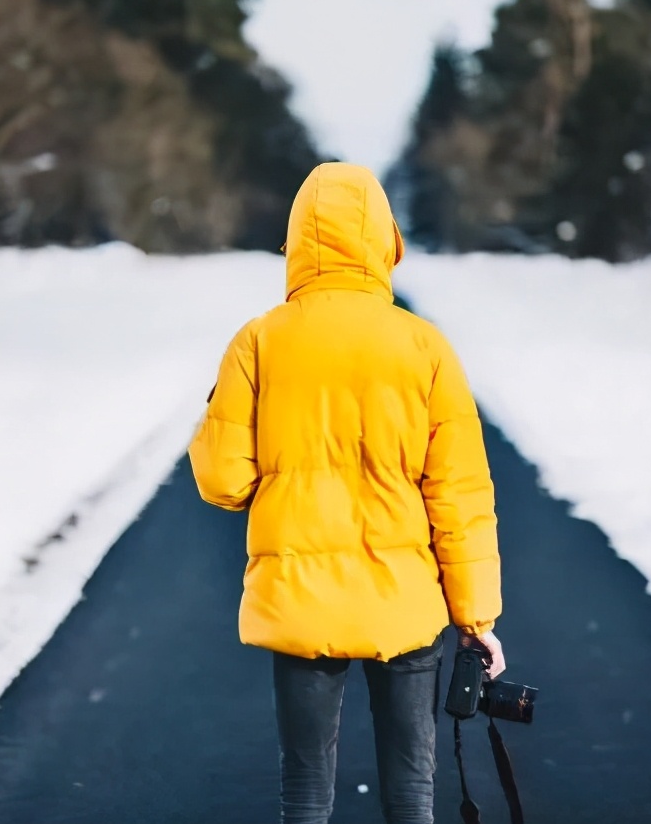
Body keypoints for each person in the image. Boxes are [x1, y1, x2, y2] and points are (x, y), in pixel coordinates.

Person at [189, 162, 504, 824]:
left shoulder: (258, 342)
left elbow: (223, 481)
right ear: (384, 241)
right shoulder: (426, 347)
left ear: (298, 239)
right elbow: (461, 495)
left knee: (305, 785)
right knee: (413, 787)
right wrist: (477, 618)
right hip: (407, 605)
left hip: (302, 605)